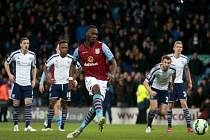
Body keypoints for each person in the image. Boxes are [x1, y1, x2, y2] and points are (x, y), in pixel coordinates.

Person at [67, 25, 117, 138]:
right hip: (89, 77)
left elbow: (113, 62)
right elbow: (72, 64)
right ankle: (100, 117)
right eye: (92, 34)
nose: (95, 36)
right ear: (86, 35)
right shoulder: (78, 50)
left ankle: (79, 130)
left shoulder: (102, 46)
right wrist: (71, 79)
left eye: (96, 34)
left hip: (103, 80)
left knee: (95, 107)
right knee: (95, 89)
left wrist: (112, 74)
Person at [41, 40, 80, 131]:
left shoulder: (71, 58)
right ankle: (49, 126)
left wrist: (73, 78)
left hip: (66, 85)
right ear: (59, 48)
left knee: (64, 105)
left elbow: (80, 68)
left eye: (66, 47)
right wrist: (48, 78)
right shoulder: (54, 57)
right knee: (51, 103)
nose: (64, 49)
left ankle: (62, 127)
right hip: (56, 84)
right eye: (62, 47)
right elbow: (45, 67)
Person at [4, 37, 37, 132]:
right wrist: (10, 74)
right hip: (18, 83)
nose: (26, 45)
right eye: (24, 43)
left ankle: (27, 126)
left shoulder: (32, 55)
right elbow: (6, 63)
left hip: (27, 84)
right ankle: (15, 125)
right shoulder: (15, 54)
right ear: (20, 44)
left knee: (28, 104)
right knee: (16, 104)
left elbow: (34, 67)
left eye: (28, 43)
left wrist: (34, 80)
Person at [144, 55, 176, 133]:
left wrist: (171, 84)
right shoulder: (156, 69)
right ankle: (149, 126)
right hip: (154, 89)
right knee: (154, 108)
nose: (167, 64)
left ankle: (152, 111)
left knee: (163, 113)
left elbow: (174, 75)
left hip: (164, 91)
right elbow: (145, 82)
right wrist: (150, 91)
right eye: (165, 62)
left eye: (168, 63)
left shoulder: (173, 69)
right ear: (162, 62)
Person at [167, 41, 193, 133]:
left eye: (181, 47)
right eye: (177, 47)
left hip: (180, 84)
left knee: (184, 104)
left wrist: (189, 81)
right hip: (170, 84)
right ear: (174, 48)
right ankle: (169, 126)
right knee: (170, 105)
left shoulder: (185, 59)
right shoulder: (168, 58)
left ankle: (189, 127)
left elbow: (186, 70)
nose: (179, 49)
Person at [39, 44, 62, 129]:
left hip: (64, 86)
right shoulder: (53, 59)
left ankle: (48, 122)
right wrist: (41, 83)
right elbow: (44, 71)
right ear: (56, 49)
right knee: (55, 105)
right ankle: (59, 125)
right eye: (59, 48)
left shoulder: (67, 58)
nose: (60, 49)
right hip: (54, 86)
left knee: (55, 106)